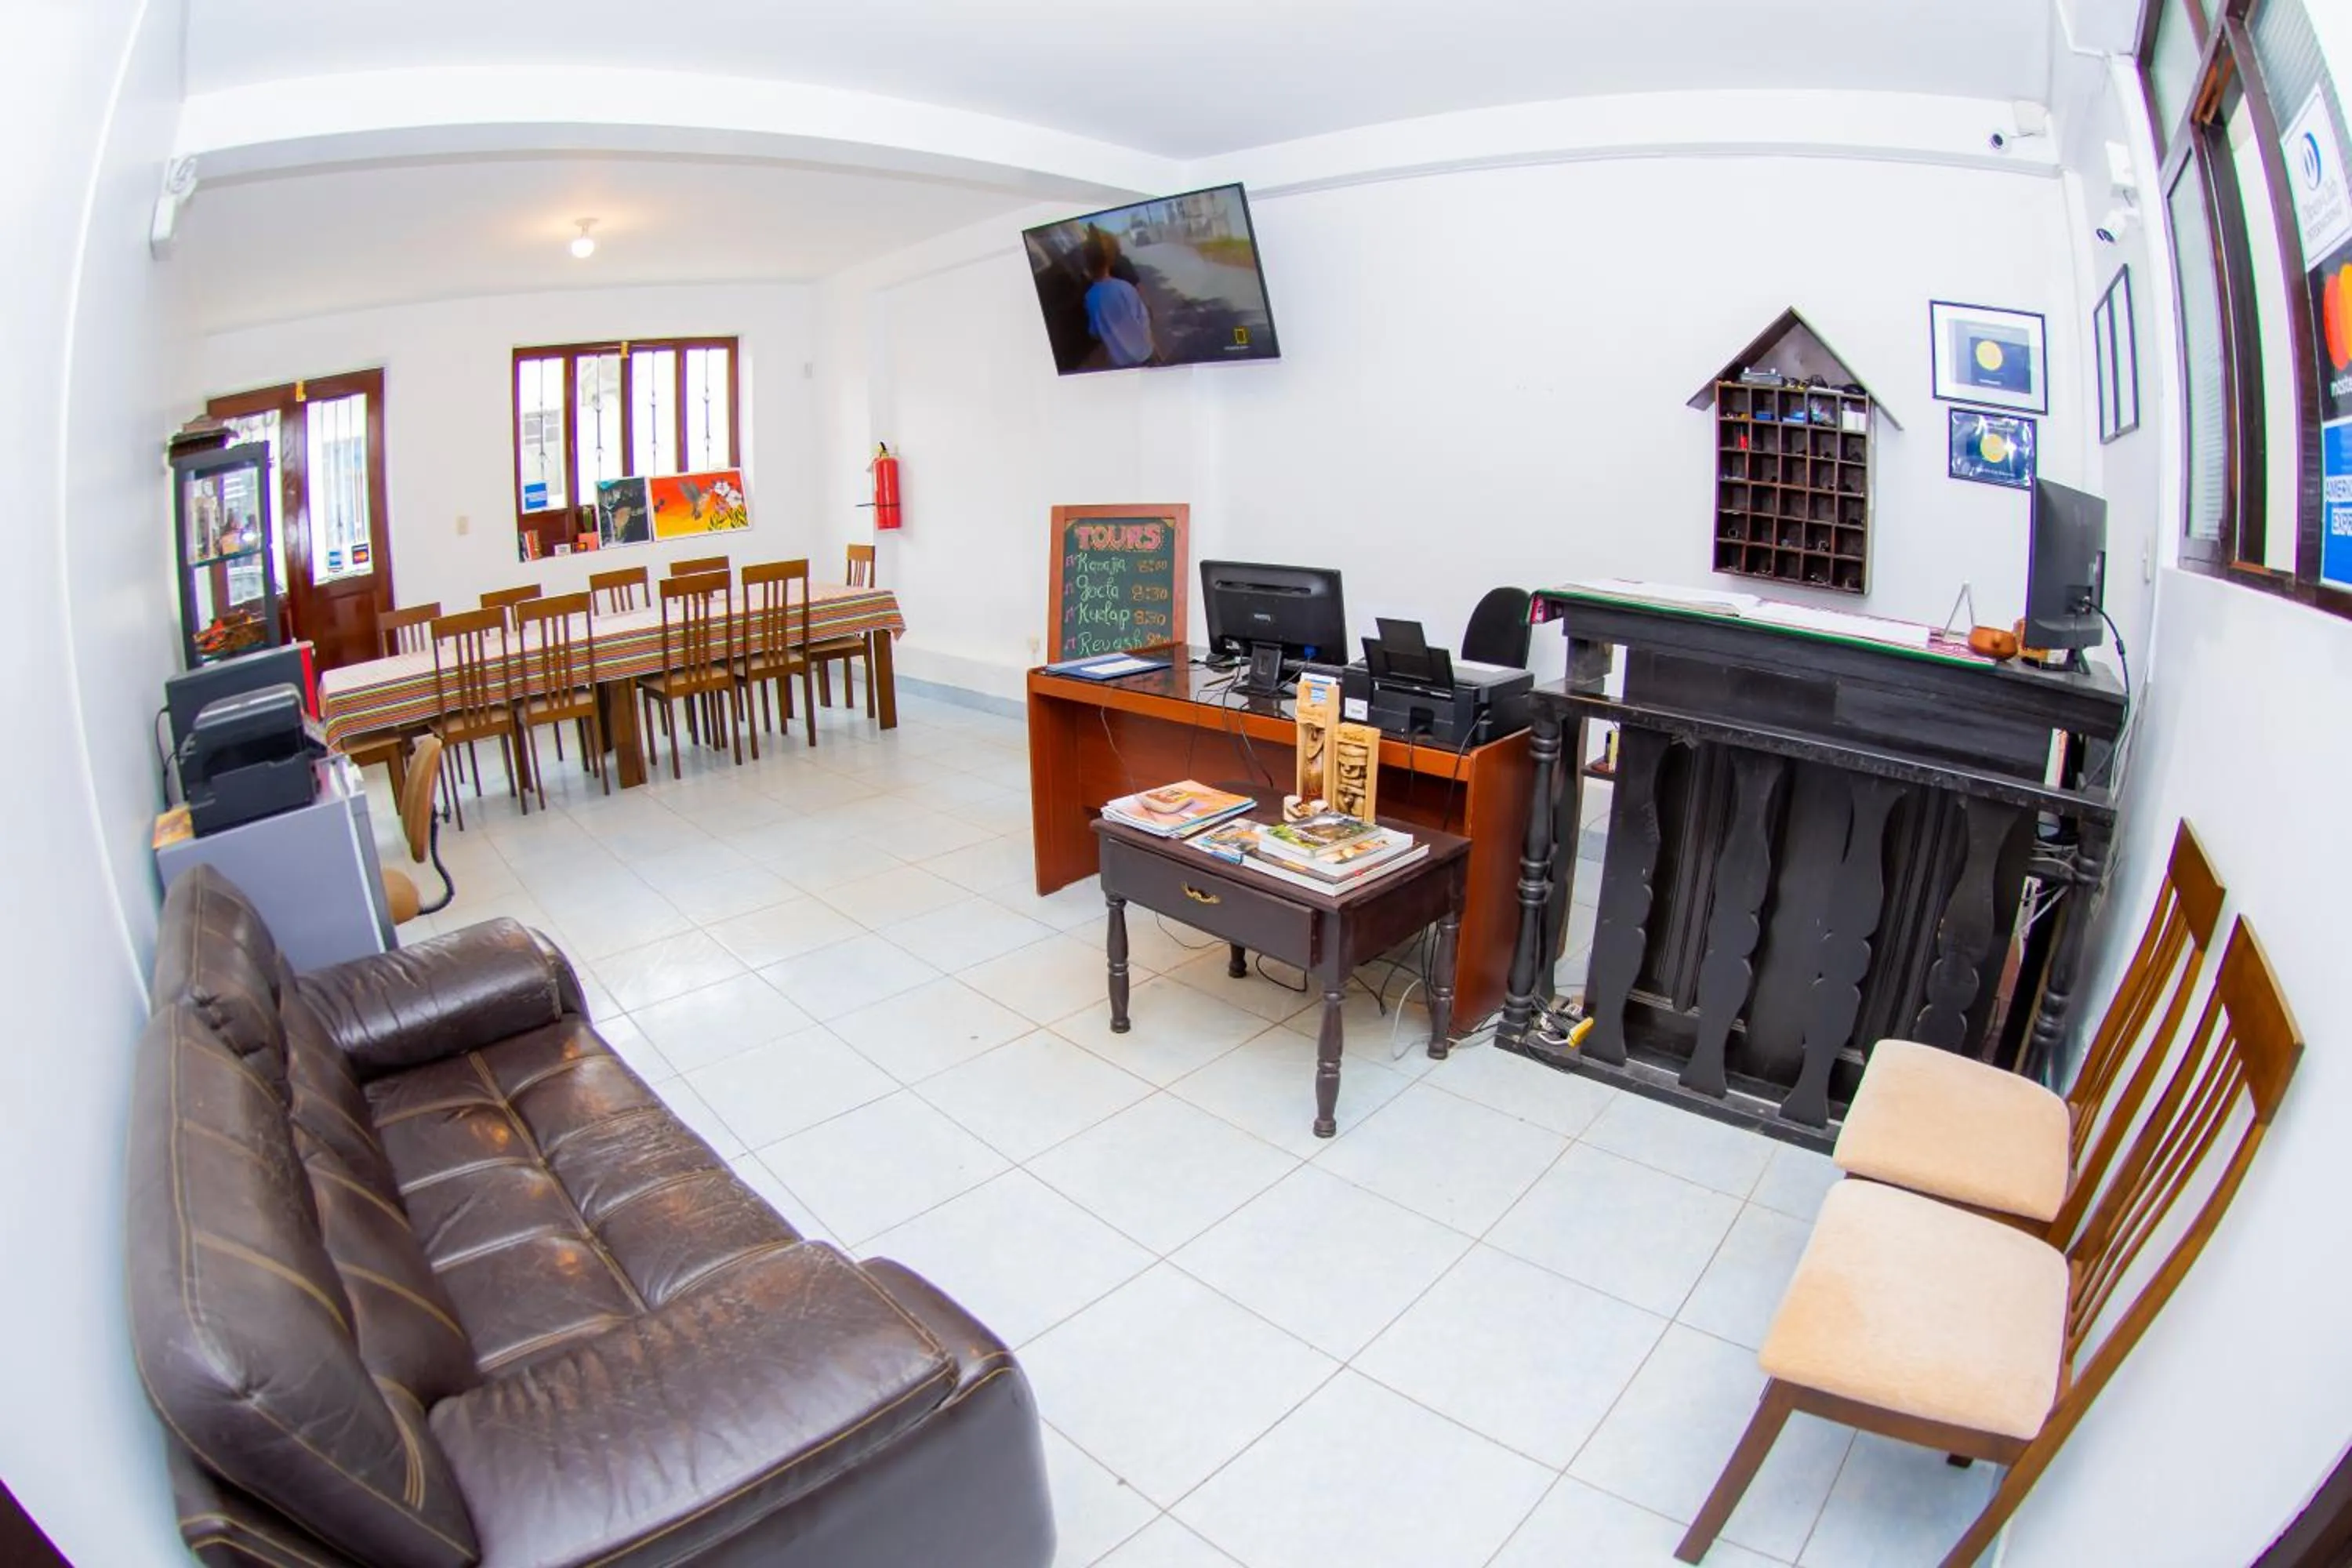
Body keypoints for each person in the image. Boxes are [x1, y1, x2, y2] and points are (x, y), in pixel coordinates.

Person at [1083, 233, 1155, 368]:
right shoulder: (1124, 287)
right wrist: (1151, 344)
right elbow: (1143, 318)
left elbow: (1095, 332)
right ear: (1109, 261)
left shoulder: (1090, 297)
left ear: (1087, 266)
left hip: (1120, 363)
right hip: (1144, 354)